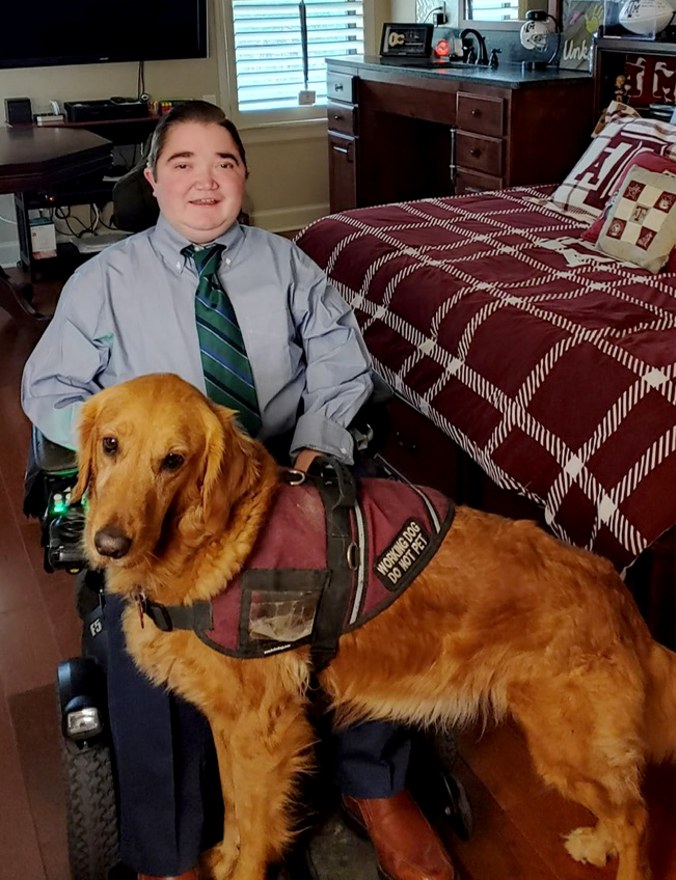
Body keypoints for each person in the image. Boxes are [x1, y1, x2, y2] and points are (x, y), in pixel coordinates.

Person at [21, 101, 455, 880]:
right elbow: (49, 386)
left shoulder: (285, 263)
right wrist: (124, 439)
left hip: (279, 470)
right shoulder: (103, 281)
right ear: (151, 180)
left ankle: (376, 785)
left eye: (223, 161)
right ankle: (171, 844)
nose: (205, 179)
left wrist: (319, 440)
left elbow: (340, 356)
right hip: (164, 492)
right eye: (182, 162)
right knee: (147, 630)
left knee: (371, 593)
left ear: (243, 179)